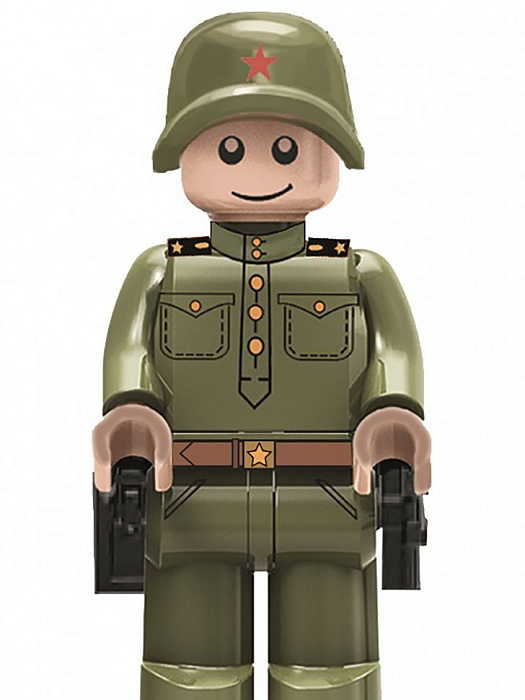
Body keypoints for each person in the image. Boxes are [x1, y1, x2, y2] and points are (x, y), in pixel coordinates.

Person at [93, 12, 431, 700]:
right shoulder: (162, 269)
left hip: (329, 496)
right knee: (189, 674)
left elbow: (393, 352)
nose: (256, 169)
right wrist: (130, 410)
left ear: (331, 153)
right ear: (184, 152)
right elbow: (129, 351)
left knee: (329, 674)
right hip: (190, 497)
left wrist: (393, 413)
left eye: (285, 149)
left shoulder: (357, 272)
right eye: (227, 148)